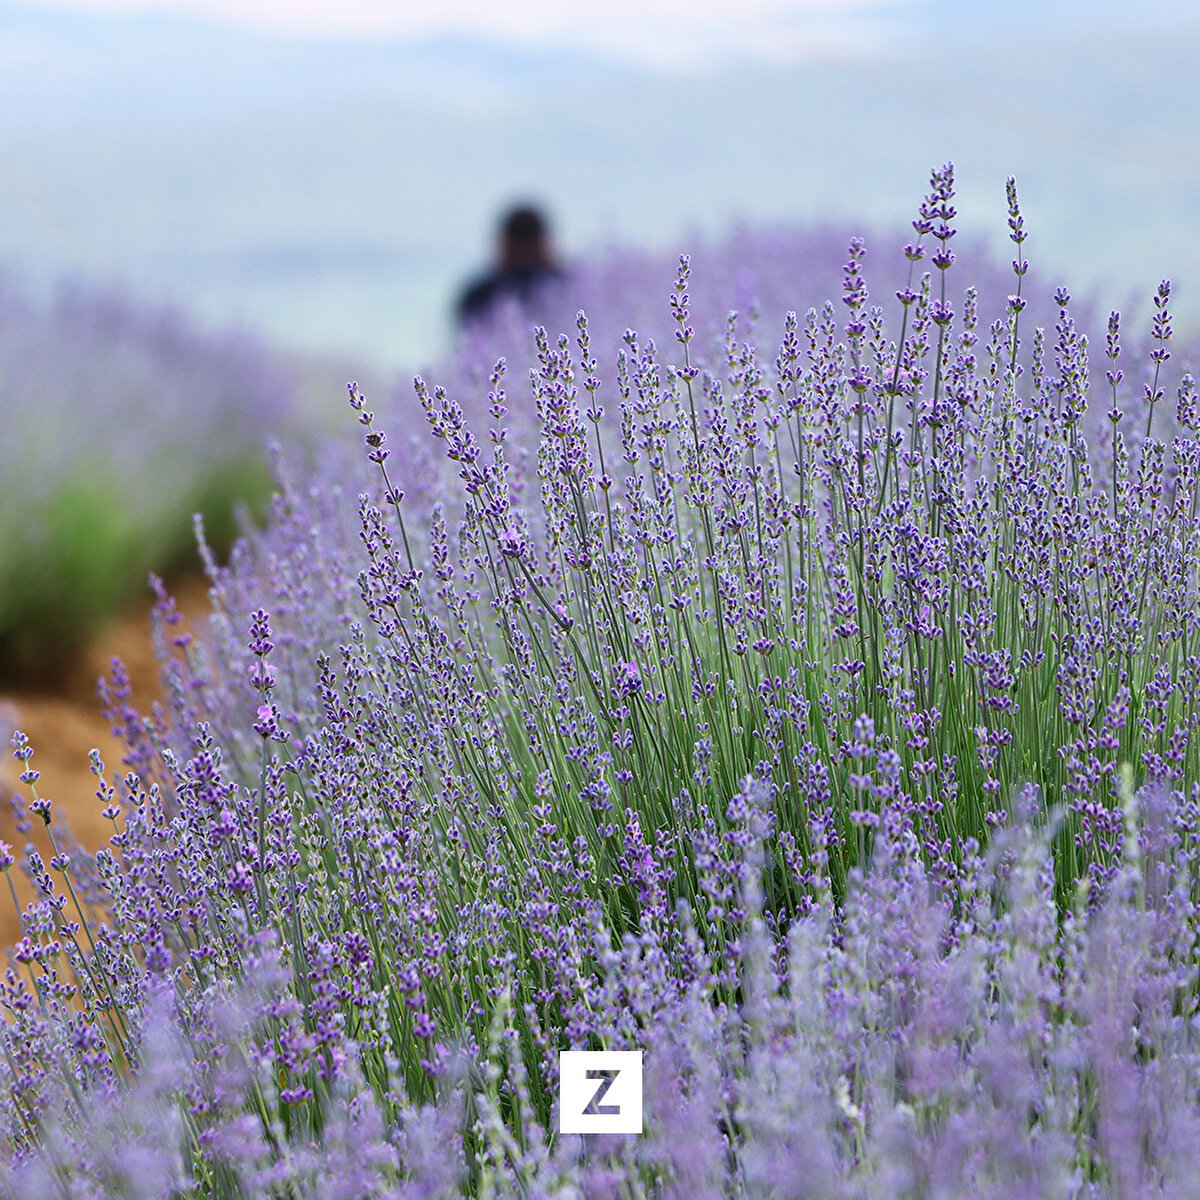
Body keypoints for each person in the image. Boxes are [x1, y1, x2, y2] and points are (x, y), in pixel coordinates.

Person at [456, 204, 564, 328]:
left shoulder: (481, 293)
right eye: (519, 247)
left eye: (530, 247)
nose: (525, 256)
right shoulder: (480, 295)